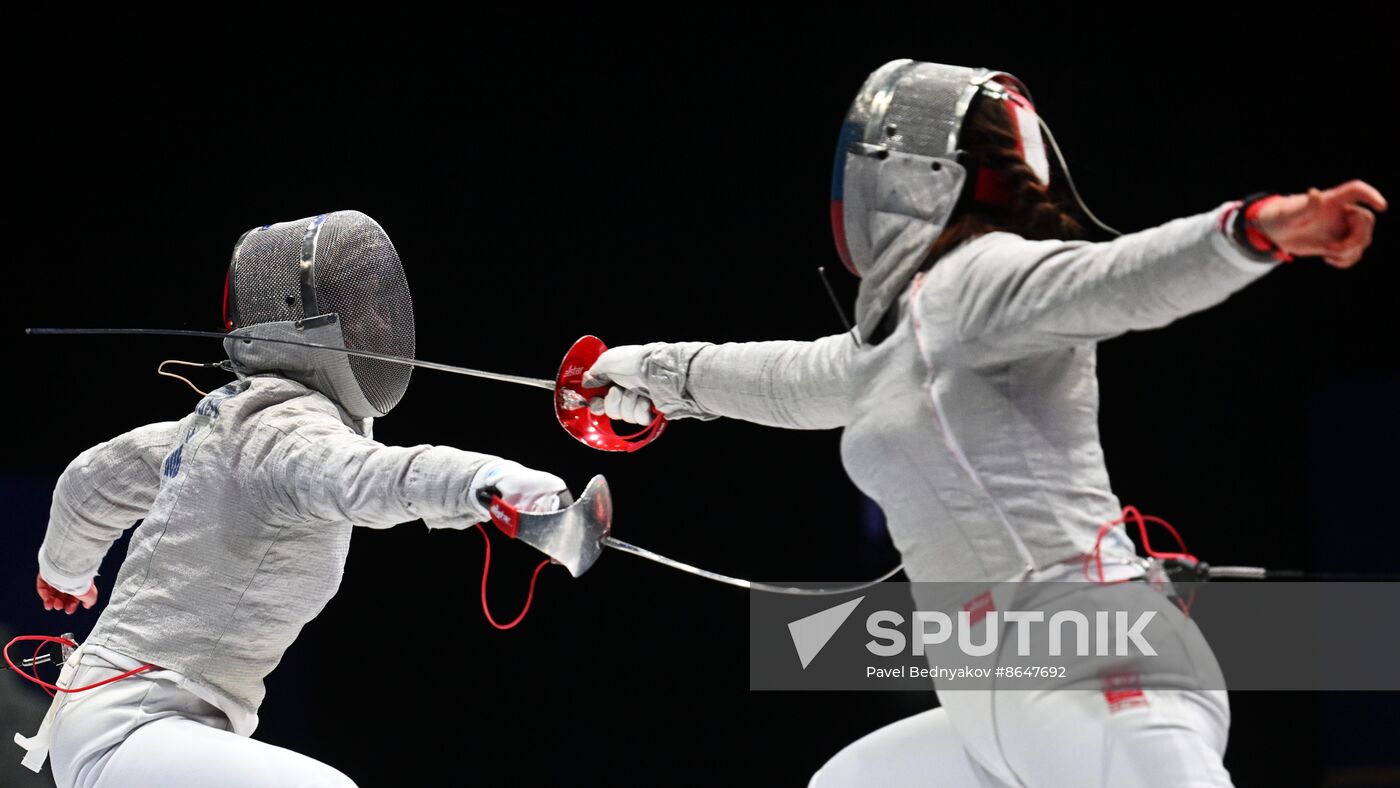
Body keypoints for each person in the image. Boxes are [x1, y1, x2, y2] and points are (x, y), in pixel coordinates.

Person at [580, 60, 1385, 787]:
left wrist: (1253, 231)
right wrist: (649, 374)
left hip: (1099, 678)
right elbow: (786, 380)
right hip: (992, 708)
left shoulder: (984, 279)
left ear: (906, 173)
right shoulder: (892, 343)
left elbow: (1118, 280)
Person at [20, 211, 572, 787]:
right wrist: (508, 488)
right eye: (365, 315)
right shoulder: (283, 436)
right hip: (132, 729)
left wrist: (65, 569)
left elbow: (92, 481)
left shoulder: (227, 427)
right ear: (318, 329)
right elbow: (381, 478)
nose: (381, 327)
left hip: (140, 725)